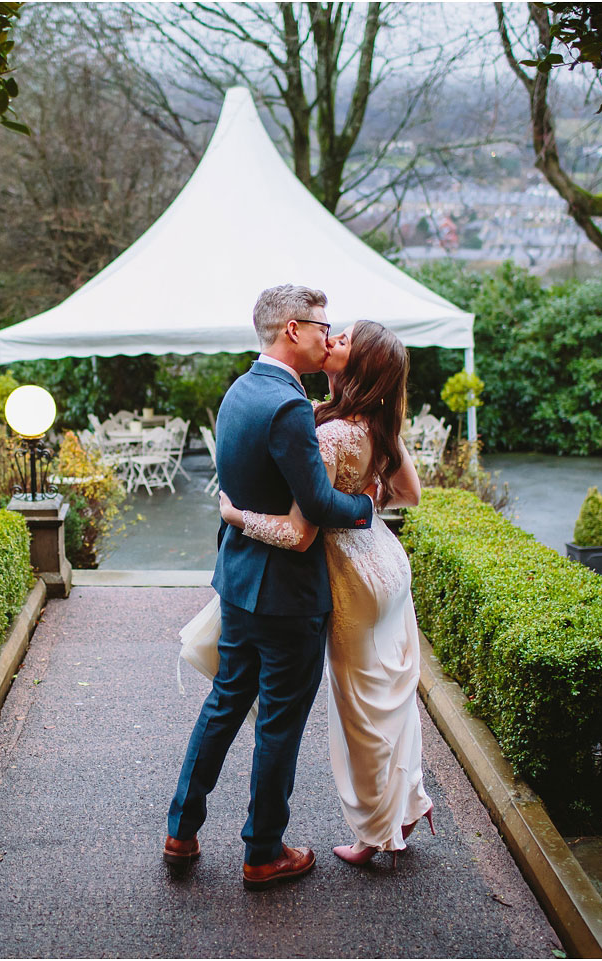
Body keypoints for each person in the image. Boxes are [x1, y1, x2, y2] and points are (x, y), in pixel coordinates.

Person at [164, 284, 377, 891]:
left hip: (238, 582)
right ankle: (262, 851)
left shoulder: (239, 391)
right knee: (278, 724)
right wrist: (367, 504)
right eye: (320, 325)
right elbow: (315, 503)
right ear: (292, 329)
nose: (325, 335)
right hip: (287, 594)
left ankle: (181, 829)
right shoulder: (287, 406)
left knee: (225, 704)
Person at [218, 320, 437, 866]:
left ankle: (374, 834)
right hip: (387, 565)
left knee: (360, 710)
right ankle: (408, 803)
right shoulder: (378, 422)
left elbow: (298, 533)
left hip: (353, 579)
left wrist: (236, 514)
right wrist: (369, 498)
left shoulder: (328, 431)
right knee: (392, 696)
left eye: (344, 341)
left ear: (358, 364)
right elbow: (411, 493)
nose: (332, 339)